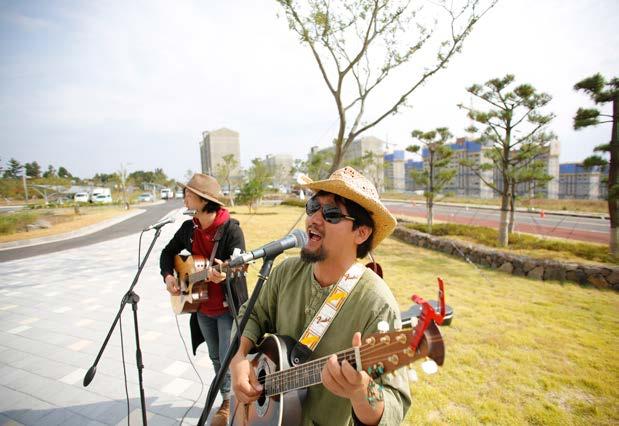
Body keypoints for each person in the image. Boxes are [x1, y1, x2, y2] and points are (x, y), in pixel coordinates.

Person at [230, 167, 411, 425]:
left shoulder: (377, 305)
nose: (314, 218)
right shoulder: (286, 272)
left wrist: (362, 393)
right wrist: (239, 358)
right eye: (313, 206)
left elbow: (393, 404)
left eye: (331, 213)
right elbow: (253, 314)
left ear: (361, 233)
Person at [159, 173, 248, 426]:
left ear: (203, 200)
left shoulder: (231, 230)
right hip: (201, 307)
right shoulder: (190, 228)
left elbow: (239, 265)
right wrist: (169, 277)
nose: (185, 196)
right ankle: (227, 397)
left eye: (189, 193)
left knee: (228, 357)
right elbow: (168, 253)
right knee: (215, 357)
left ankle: (230, 403)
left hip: (227, 307)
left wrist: (225, 274)